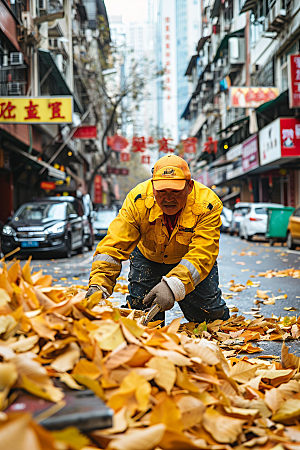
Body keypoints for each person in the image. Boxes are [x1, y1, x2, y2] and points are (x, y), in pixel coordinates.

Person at [86, 154, 229, 324]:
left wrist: (173, 286)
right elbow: (114, 244)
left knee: (208, 316)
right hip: (148, 257)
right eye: (161, 192)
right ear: (152, 187)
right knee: (141, 317)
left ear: (189, 187)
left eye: (175, 191)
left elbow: (203, 252)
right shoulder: (137, 199)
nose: (168, 198)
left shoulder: (208, 204)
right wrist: (98, 284)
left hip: (190, 261)